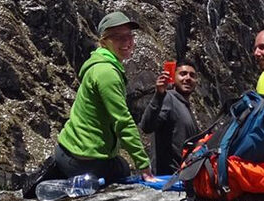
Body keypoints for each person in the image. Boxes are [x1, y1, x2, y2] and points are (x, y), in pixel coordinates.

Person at [55, 10, 155, 184]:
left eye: (129, 35)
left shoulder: (99, 64)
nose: (127, 42)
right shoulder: (107, 72)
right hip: (82, 160)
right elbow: (122, 121)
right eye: (117, 37)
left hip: (68, 150)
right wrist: (144, 166)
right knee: (122, 169)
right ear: (104, 41)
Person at [140, 60, 199, 175]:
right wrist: (158, 95)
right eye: (183, 74)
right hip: (168, 179)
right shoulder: (168, 98)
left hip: (183, 177)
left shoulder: (184, 105)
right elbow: (147, 126)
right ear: (173, 77)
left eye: (192, 75)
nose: (188, 78)